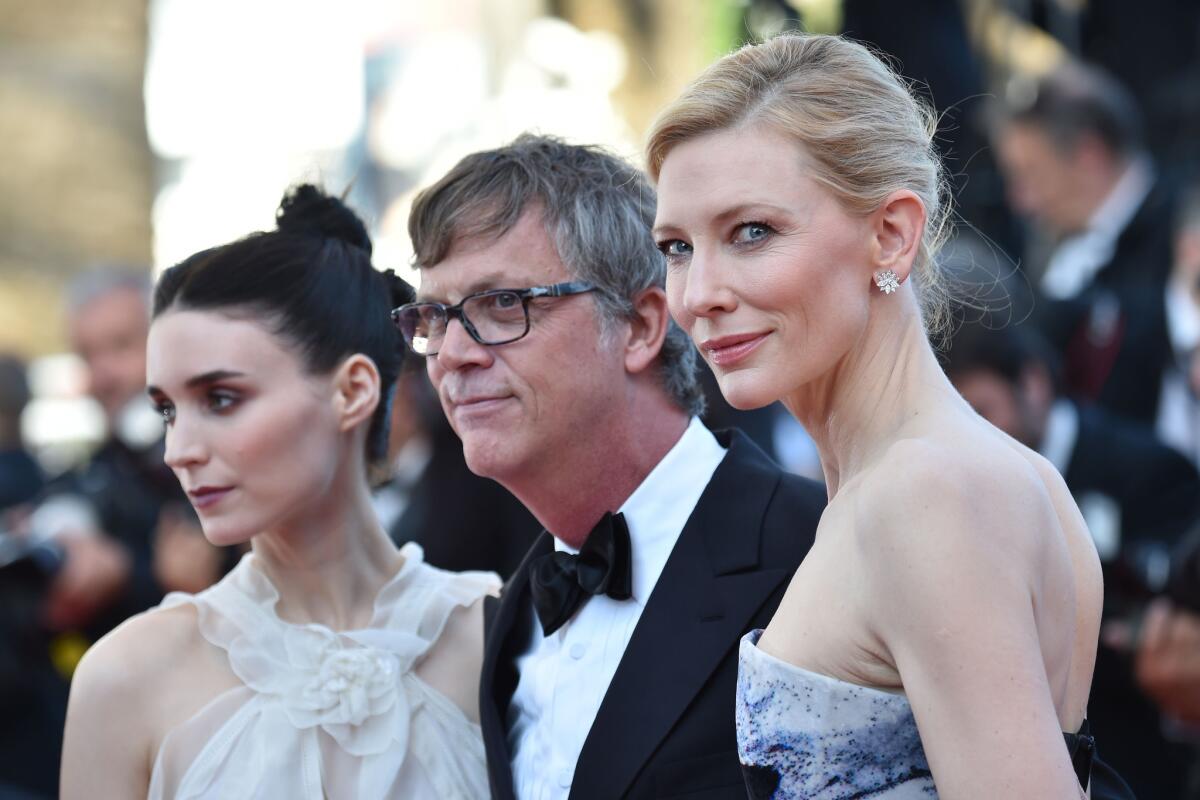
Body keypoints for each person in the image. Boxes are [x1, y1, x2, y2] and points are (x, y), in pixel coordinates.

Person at [647, 33, 1127, 798]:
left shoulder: (926, 495)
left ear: (891, 234)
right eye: (676, 247)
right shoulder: (966, 474)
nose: (698, 292)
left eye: (752, 232)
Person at [397, 133, 825, 799]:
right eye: (435, 316)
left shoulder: (818, 551)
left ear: (639, 326)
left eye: (503, 303)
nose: (453, 353)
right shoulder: (511, 618)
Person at [60, 185, 499, 799]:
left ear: (351, 392)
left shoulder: (496, 635)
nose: (178, 449)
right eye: (166, 410)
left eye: (220, 399)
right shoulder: (126, 677)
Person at [996, 61, 1175, 427]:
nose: (1020, 200)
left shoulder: (1180, 239)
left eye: (1030, 173)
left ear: (1089, 155)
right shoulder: (1060, 247)